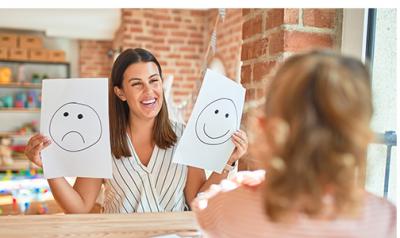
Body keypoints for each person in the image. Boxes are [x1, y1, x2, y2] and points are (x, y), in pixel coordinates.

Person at [192, 50, 396, 237]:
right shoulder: (383, 218)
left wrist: (244, 183)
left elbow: (202, 207)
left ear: (264, 127)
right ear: (360, 136)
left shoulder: (227, 205)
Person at [25, 48, 248, 213]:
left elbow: (198, 200)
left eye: (154, 81)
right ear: (120, 92)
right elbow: (80, 207)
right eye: (136, 84)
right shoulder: (103, 140)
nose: (149, 91)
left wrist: (227, 162)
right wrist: (51, 167)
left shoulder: (184, 136)